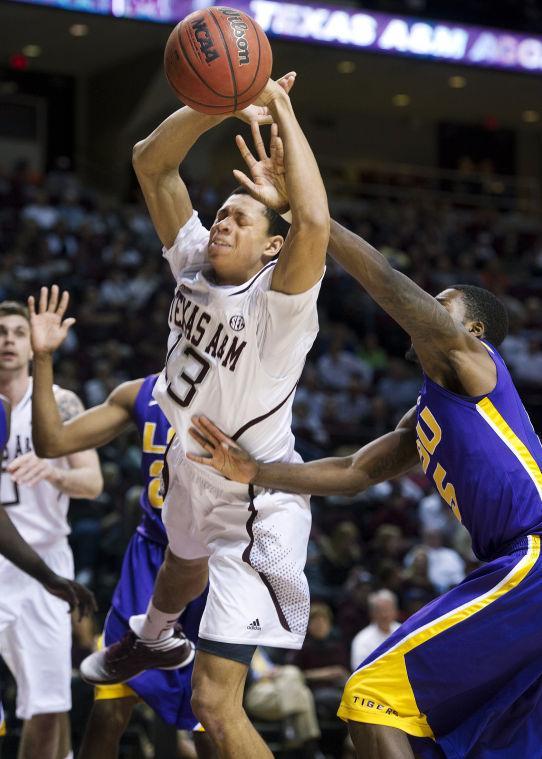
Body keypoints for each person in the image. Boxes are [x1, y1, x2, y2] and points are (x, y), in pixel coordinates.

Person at [182, 134, 542, 758]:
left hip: (529, 560)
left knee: (373, 695)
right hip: (509, 567)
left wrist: (308, 218)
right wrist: (255, 469)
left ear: (473, 329)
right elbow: (353, 471)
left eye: (442, 305)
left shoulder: (475, 364)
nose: (429, 310)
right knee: (452, 738)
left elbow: (391, 289)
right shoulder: (428, 412)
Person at [80, 71, 329, 759]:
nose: (222, 220)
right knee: (179, 561)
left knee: (213, 706)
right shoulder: (193, 261)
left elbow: (313, 222)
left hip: (254, 496)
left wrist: (277, 104)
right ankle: (156, 633)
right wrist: (213, 104)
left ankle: (161, 638)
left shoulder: (279, 309)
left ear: (271, 247)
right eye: (220, 212)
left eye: (242, 218)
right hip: (194, 467)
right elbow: (150, 162)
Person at [28, 286, 213, 759]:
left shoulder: (244, 396)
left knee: (212, 715)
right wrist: (43, 359)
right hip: (151, 556)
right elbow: (53, 443)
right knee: (109, 707)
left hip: (215, 561)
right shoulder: (140, 392)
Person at [0, 299, 102, 759]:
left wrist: (55, 472)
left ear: (31, 343)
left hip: (45, 558)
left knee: (47, 698)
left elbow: (93, 482)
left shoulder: (59, 402)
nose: (8, 341)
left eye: (19, 333)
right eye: (1, 332)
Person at [350, 590, 400, 671]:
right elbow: (358, 669)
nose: (384, 615)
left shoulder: (403, 631)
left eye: (387, 610)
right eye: (380, 611)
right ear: (372, 613)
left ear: (395, 611)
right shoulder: (362, 639)